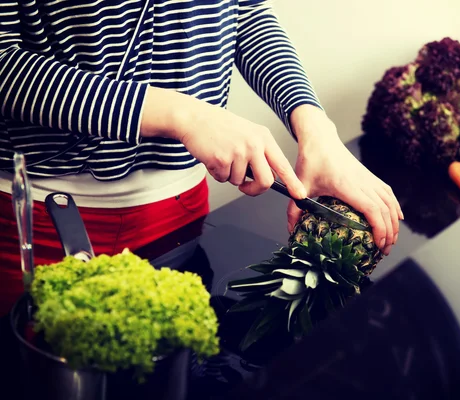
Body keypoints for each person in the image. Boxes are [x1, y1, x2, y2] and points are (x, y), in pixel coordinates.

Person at [0, 1, 401, 327]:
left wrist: (315, 127)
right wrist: (181, 114)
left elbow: (246, 13)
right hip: (37, 217)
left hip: (181, 213)